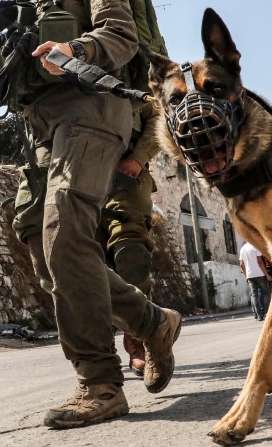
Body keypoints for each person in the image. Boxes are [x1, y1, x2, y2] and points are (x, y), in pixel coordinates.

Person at [0, 0, 180, 430]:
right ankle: (151, 321)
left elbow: (118, 34)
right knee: (40, 243)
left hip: (91, 112)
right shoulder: (27, 3)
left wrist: (77, 49)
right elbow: (12, 73)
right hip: (41, 128)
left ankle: (100, 382)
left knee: (67, 235)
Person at [97, 100, 160, 376]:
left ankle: (138, 343)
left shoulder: (128, 65)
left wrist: (139, 157)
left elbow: (158, 116)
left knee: (130, 255)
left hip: (126, 177)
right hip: (79, 177)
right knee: (87, 265)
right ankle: (100, 352)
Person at [239, 242, 272, 320]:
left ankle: (258, 315)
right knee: (266, 292)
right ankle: (267, 311)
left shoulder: (242, 249)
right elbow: (260, 261)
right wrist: (266, 274)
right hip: (259, 274)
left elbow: (241, 264)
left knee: (254, 295)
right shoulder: (255, 246)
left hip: (250, 275)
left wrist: (246, 276)